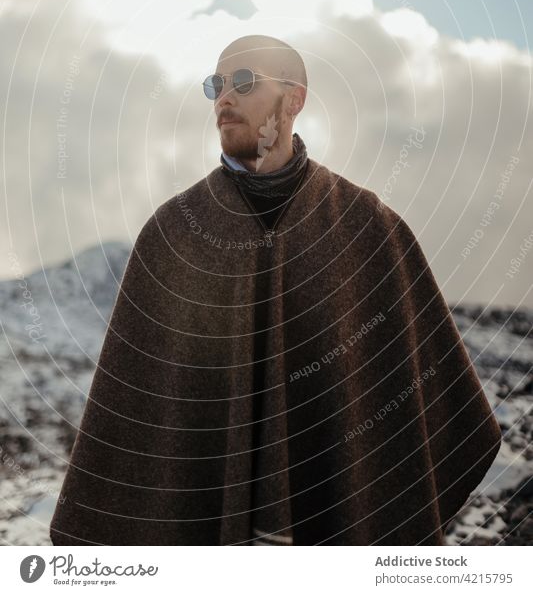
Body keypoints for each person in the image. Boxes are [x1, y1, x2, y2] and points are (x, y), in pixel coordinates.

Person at [50, 35, 501, 546]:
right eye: (215, 84)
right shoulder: (173, 235)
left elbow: (424, 401)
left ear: (295, 99)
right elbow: (135, 412)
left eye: (244, 81)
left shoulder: (367, 228)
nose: (224, 97)